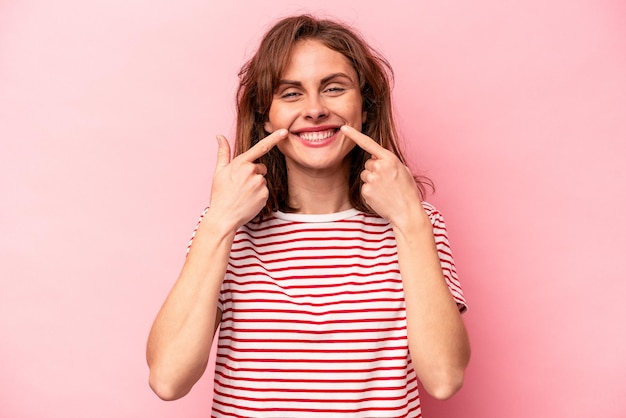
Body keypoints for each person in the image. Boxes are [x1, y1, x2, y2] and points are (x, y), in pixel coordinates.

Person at [147, 14, 470, 418]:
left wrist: (409, 221)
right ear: (266, 116)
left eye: (334, 89)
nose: (315, 110)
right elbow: (167, 379)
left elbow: (444, 378)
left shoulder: (419, 224)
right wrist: (218, 222)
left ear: (365, 108)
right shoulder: (226, 229)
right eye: (291, 94)